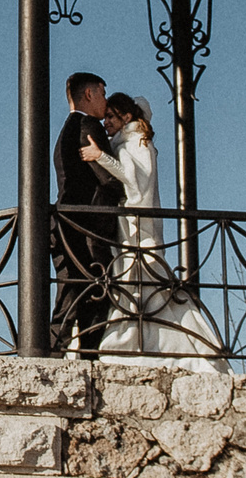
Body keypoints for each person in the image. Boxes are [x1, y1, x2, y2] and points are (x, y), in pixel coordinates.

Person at [81, 92, 226, 369]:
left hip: (138, 227)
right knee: (134, 283)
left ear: (127, 117)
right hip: (127, 225)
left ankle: (143, 345)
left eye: (111, 116)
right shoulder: (126, 140)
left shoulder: (138, 141)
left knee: (141, 283)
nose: (106, 122)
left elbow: (135, 180)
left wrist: (101, 157)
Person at [51, 71, 122, 353]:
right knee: (95, 295)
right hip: (88, 230)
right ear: (90, 94)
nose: (105, 101)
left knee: (69, 297)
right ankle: (86, 359)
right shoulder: (88, 126)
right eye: (103, 94)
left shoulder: (67, 128)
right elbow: (109, 180)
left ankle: (53, 355)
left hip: (67, 227)